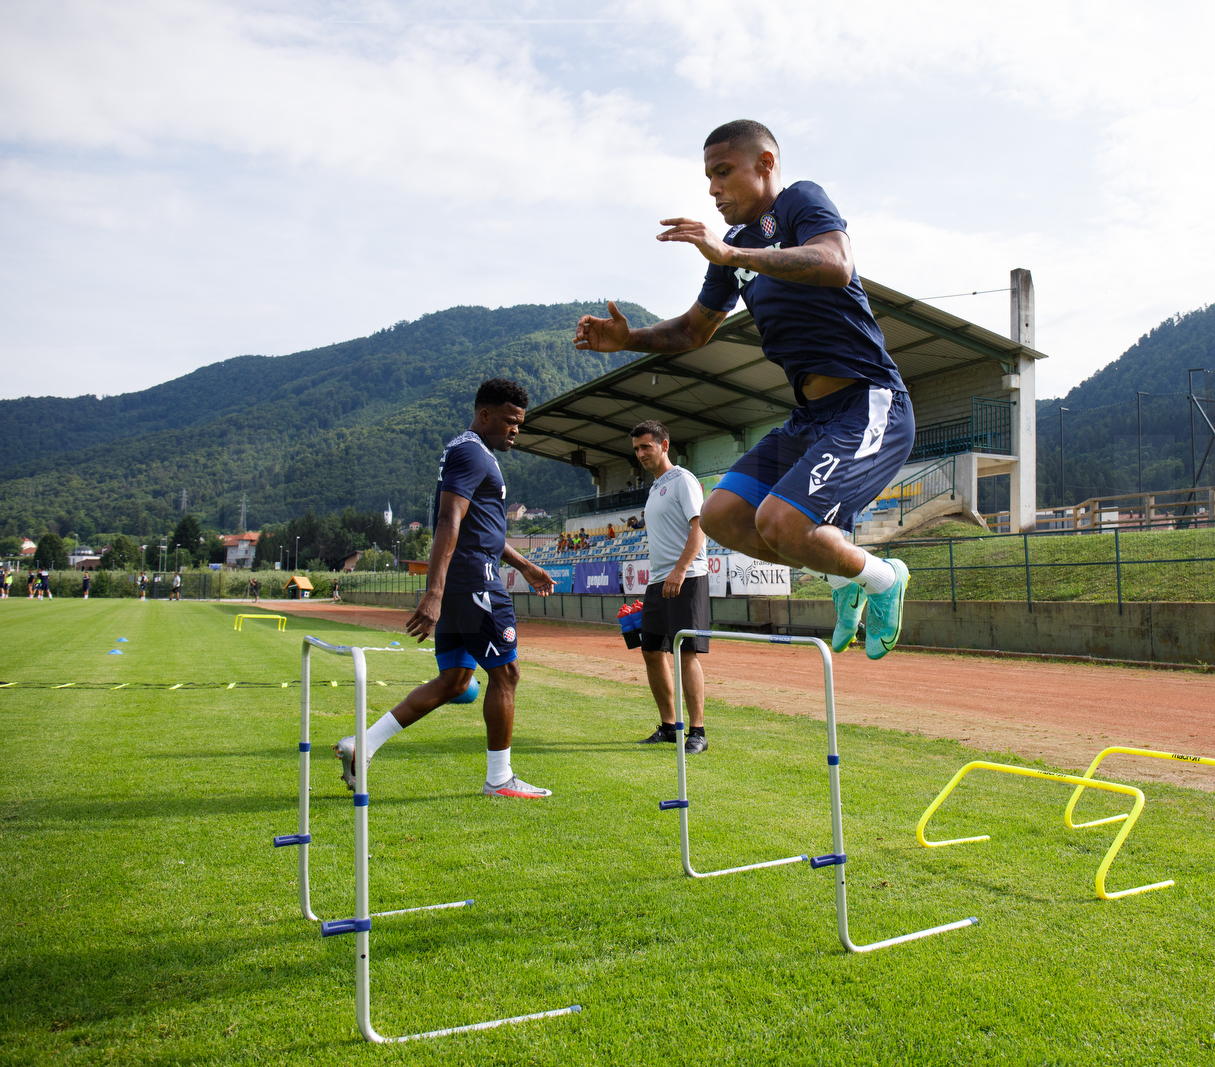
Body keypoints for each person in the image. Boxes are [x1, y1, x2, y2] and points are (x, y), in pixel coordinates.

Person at [574, 119, 913, 660]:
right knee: (721, 516)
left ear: (766, 165)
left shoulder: (801, 201)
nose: (713, 189)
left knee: (779, 521)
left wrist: (732, 258)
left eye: (723, 173)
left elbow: (835, 263)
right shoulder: (732, 247)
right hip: (810, 418)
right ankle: (841, 576)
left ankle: (882, 578)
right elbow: (693, 330)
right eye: (708, 177)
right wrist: (629, 339)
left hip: (868, 402)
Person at [335, 378, 558, 800]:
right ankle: (500, 779)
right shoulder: (472, 453)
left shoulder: (469, 451)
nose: (515, 430)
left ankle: (362, 745)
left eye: (520, 424)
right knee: (506, 673)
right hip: (475, 583)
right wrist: (433, 594)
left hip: (463, 581)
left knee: (456, 680)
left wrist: (526, 565)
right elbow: (448, 521)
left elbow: (482, 528)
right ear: (485, 414)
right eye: (510, 421)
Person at [629, 422, 712, 754]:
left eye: (646, 446)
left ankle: (698, 732)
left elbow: (700, 525)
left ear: (664, 444)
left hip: (687, 577)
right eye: (636, 448)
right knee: (651, 651)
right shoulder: (654, 488)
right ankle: (669, 727)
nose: (641, 453)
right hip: (657, 581)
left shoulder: (683, 480)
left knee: (686, 653)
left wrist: (679, 570)